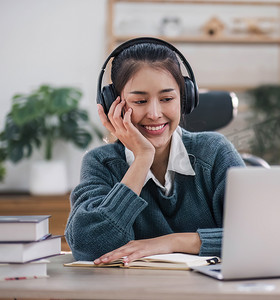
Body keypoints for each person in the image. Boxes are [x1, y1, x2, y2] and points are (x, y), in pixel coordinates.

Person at [64, 38, 245, 264]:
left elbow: (259, 236)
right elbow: (89, 247)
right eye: (140, 101)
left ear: (184, 98)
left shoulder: (214, 151)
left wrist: (170, 242)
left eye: (167, 98)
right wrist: (142, 159)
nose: (154, 113)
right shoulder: (101, 163)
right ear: (114, 105)